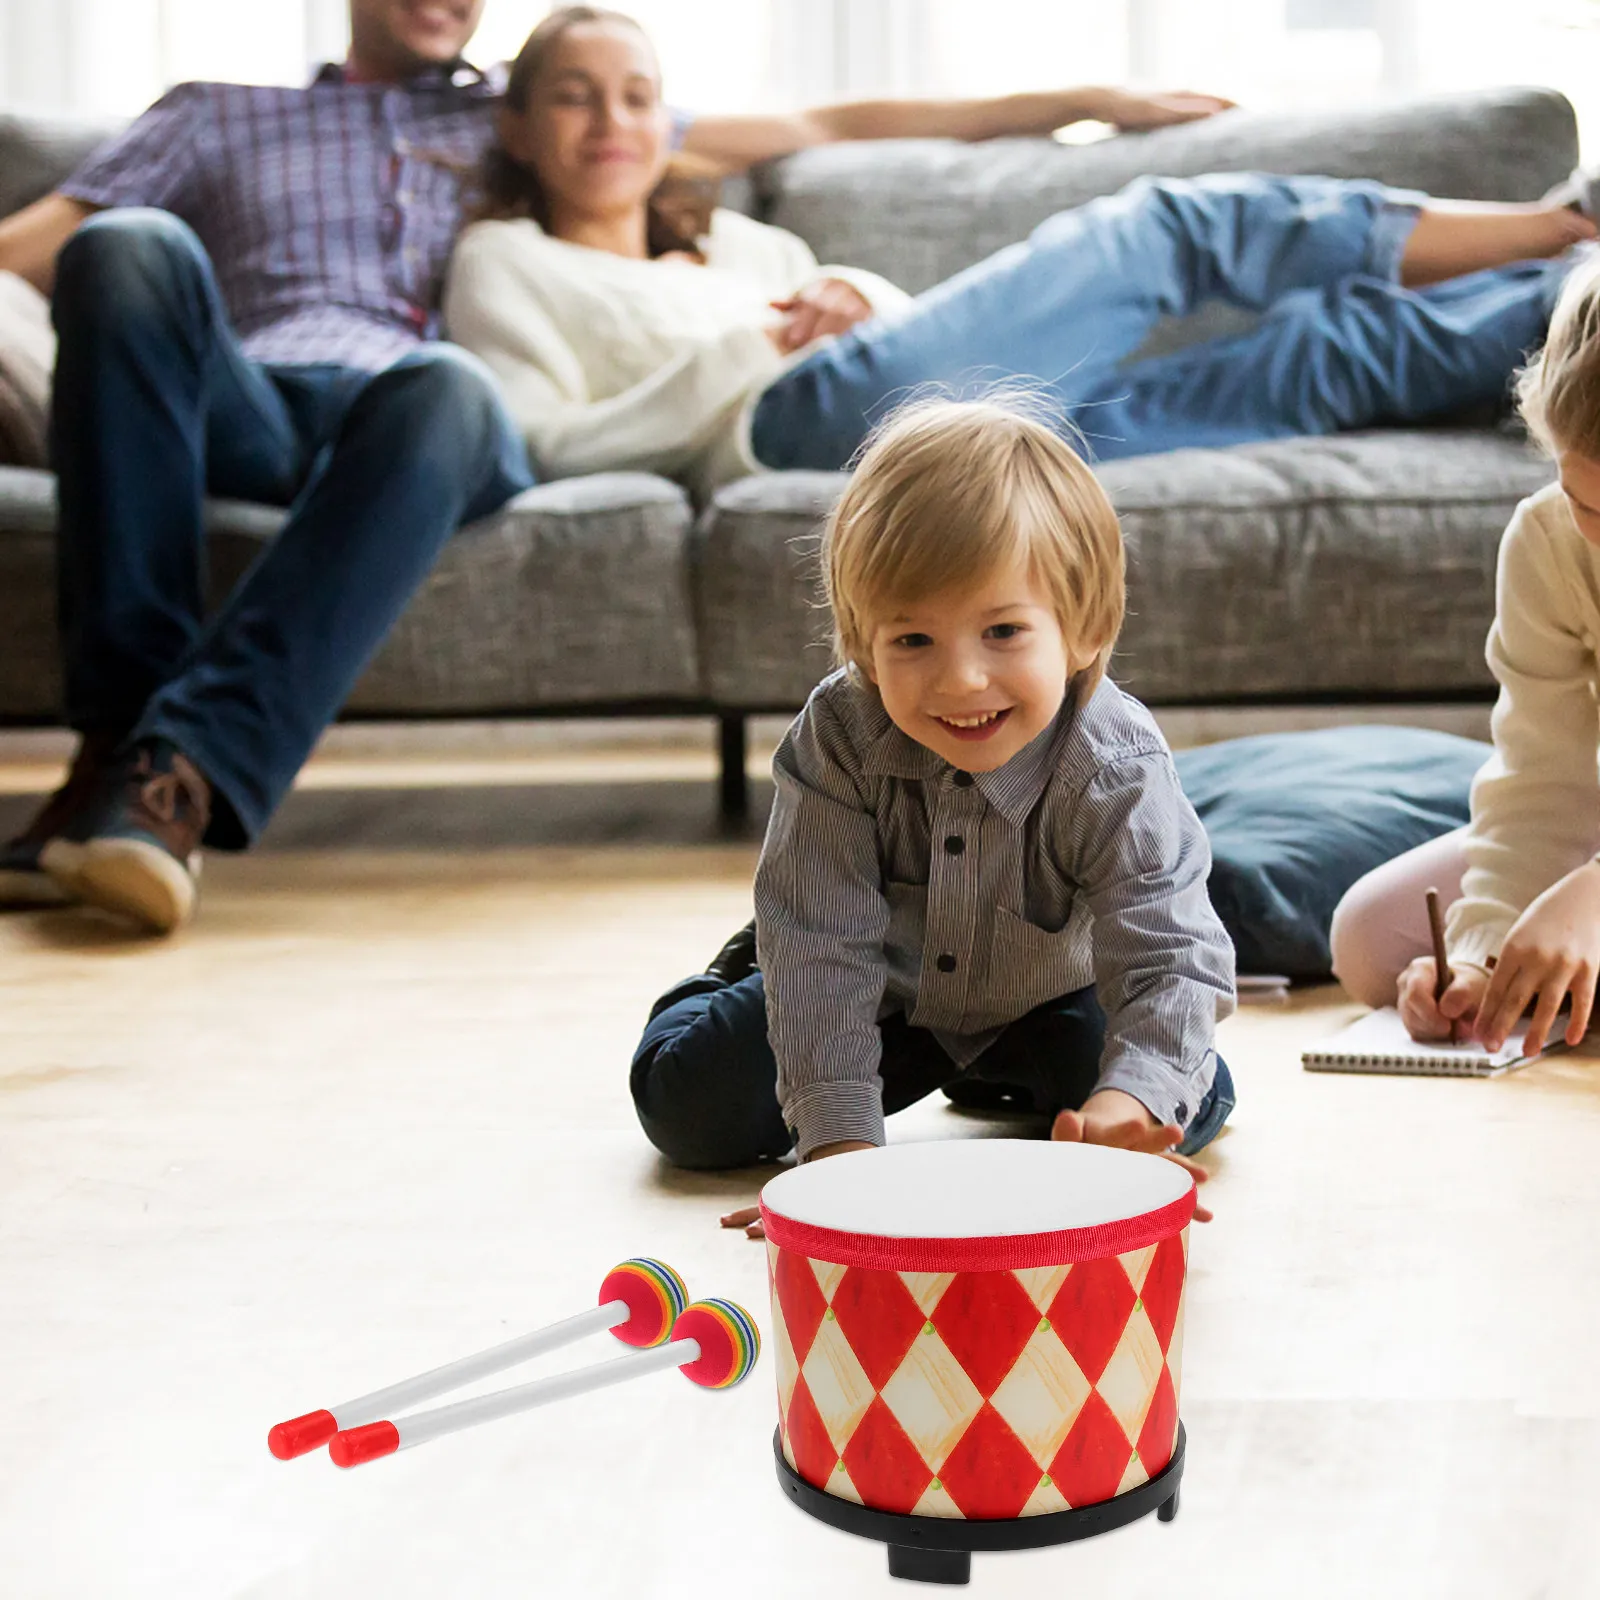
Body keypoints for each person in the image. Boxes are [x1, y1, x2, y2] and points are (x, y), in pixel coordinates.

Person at [0, 0, 1236, 934]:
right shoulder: (214, 114)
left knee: (440, 385)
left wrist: (1084, 95)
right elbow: (27, 250)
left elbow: (832, 124)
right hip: (254, 399)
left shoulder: (518, 115)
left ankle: (173, 772)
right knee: (129, 247)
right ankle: (122, 752)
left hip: (423, 421)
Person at [446, 7, 1600, 501]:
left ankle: (1573, 291)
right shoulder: (506, 260)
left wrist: (860, 295)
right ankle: (1565, 221)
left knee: (1312, 359)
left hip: (945, 437)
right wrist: (742, 352)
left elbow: (908, 344)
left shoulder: (746, 242)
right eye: (573, 98)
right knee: (1164, 230)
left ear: (669, 122)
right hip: (787, 429)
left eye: (636, 96)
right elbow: (536, 444)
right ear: (517, 126)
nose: (610, 123)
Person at [630, 397, 1237, 1231]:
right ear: (863, 644)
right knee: (687, 1111)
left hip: (1050, 992)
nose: (960, 682)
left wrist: (1130, 1098)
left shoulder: (1116, 762)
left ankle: (999, 1072)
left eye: (1002, 631)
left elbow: (1169, 951)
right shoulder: (840, 735)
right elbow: (823, 951)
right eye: (913, 641)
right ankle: (737, 968)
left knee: (1181, 1101)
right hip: (877, 990)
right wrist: (837, 1169)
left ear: (1084, 628)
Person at [1329, 257, 1600, 1061]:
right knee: (1369, 939)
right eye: (1587, 501)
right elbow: (1542, 775)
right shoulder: (1548, 541)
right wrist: (1482, 957)